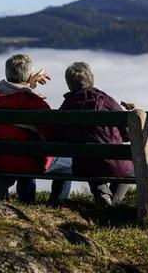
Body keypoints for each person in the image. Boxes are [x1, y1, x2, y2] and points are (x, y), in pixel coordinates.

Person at [0, 53, 71, 204]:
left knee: (22, 143)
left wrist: (28, 84)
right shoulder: (35, 103)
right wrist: (30, 88)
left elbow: (13, 94)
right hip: (28, 162)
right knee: (68, 162)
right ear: (29, 76)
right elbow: (52, 136)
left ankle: (26, 201)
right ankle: (57, 203)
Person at [58, 62, 133, 206]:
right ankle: (114, 204)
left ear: (69, 83)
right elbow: (128, 136)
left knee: (89, 161)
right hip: (116, 165)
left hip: (84, 166)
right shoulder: (106, 100)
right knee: (128, 169)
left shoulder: (67, 105)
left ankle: (102, 192)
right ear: (91, 78)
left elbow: (59, 135)